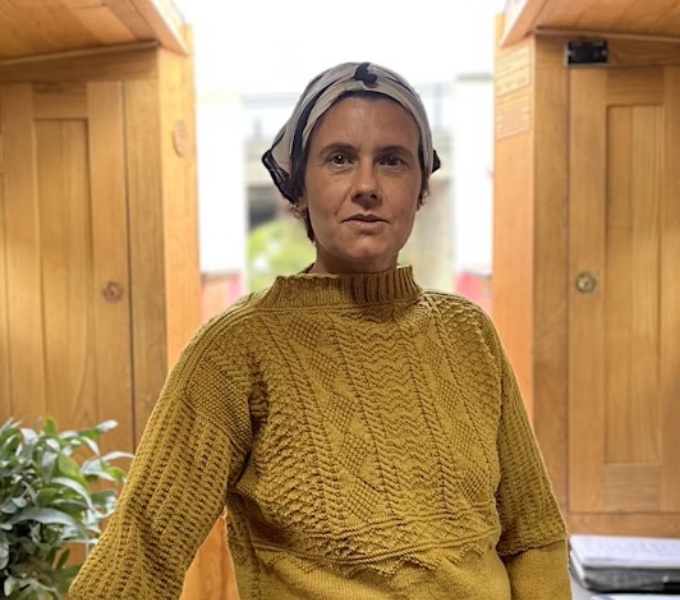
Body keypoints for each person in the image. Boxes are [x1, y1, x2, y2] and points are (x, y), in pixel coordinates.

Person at [70, 62, 570, 600]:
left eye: (393, 161)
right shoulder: (234, 351)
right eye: (339, 159)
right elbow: (142, 552)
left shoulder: (469, 334)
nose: (367, 186)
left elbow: (532, 535)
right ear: (298, 186)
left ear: (421, 189)